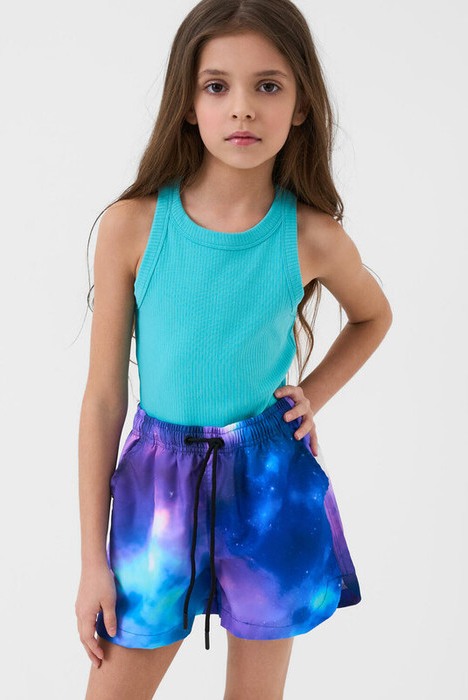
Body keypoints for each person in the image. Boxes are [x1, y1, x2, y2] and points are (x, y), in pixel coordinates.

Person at [76, 1, 392, 697]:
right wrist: (92, 560)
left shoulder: (312, 236)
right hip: (155, 490)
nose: (242, 107)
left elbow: (373, 316)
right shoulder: (132, 228)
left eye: (267, 86)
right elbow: (102, 399)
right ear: (188, 105)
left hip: (267, 482)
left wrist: (312, 394)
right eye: (217, 86)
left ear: (301, 105)